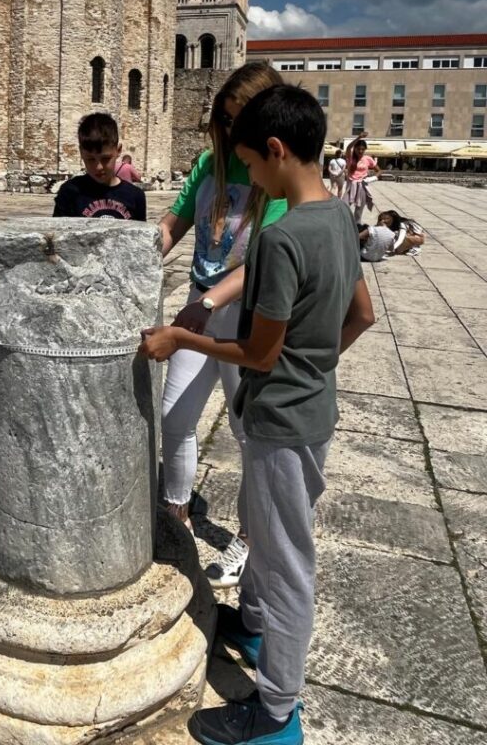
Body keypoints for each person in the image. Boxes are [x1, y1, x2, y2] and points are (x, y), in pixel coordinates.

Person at [141, 84, 375, 745]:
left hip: (279, 421)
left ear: (275, 150)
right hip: (312, 411)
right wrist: (314, 366)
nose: (247, 179)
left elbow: (258, 353)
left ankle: (275, 714)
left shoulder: (281, 239)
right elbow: (362, 315)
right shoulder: (339, 218)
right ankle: (250, 623)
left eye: (248, 164)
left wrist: (181, 338)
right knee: (273, 540)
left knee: (286, 563)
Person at [158, 62, 287, 589]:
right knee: (174, 416)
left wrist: (208, 303)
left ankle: (250, 539)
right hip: (201, 303)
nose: (232, 132)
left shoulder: (273, 172)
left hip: (242, 313)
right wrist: (137, 250)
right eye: (226, 120)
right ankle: (176, 516)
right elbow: (174, 223)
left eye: (241, 120)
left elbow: (261, 260)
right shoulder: (210, 162)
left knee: (247, 433)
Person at [53, 113, 147, 221]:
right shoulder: (70, 192)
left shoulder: (135, 196)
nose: (98, 167)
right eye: (90, 159)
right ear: (81, 153)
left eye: (105, 159)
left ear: (118, 150)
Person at [344, 132, 380, 223]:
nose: (360, 151)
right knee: (344, 207)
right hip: (351, 185)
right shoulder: (350, 157)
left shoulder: (368, 159)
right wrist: (358, 137)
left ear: (365, 150)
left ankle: (357, 228)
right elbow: (348, 147)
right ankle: (346, 225)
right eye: (358, 149)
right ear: (355, 149)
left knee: (358, 212)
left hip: (362, 186)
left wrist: (372, 178)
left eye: (362, 149)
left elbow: (379, 171)